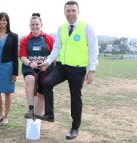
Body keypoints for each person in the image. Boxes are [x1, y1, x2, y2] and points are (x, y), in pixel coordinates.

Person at [39, 0, 99, 140]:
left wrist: (92, 70)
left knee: (75, 98)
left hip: (77, 70)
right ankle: (49, 114)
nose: (71, 13)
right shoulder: (62, 28)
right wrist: (47, 62)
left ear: (78, 12)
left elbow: (94, 49)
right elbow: (57, 48)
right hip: (62, 67)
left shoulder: (87, 27)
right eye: (68, 11)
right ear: (64, 12)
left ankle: (74, 127)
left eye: (73, 10)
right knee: (47, 83)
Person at [19, 13, 56, 119]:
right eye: (32, 25)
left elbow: (54, 55)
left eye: (37, 24)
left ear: (41, 25)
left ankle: (39, 117)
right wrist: (31, 63)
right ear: (29, 25)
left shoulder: (49, 39)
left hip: (45, 69)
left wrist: (49, 65)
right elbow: (23, 56)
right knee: (29, 80)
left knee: (42, 92)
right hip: (30, 67)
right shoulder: (25, 40)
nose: (35, 27)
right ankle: (31, 109)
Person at [0, 12, 19, 126]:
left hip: (8, 67)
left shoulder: (13, 36)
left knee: (7, 92)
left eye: (4, 20)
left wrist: (15, 73)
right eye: (0, 20)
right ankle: (0, 114)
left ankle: (6, 116)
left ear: (7, 21)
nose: (2, 22)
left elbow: (16, 56)